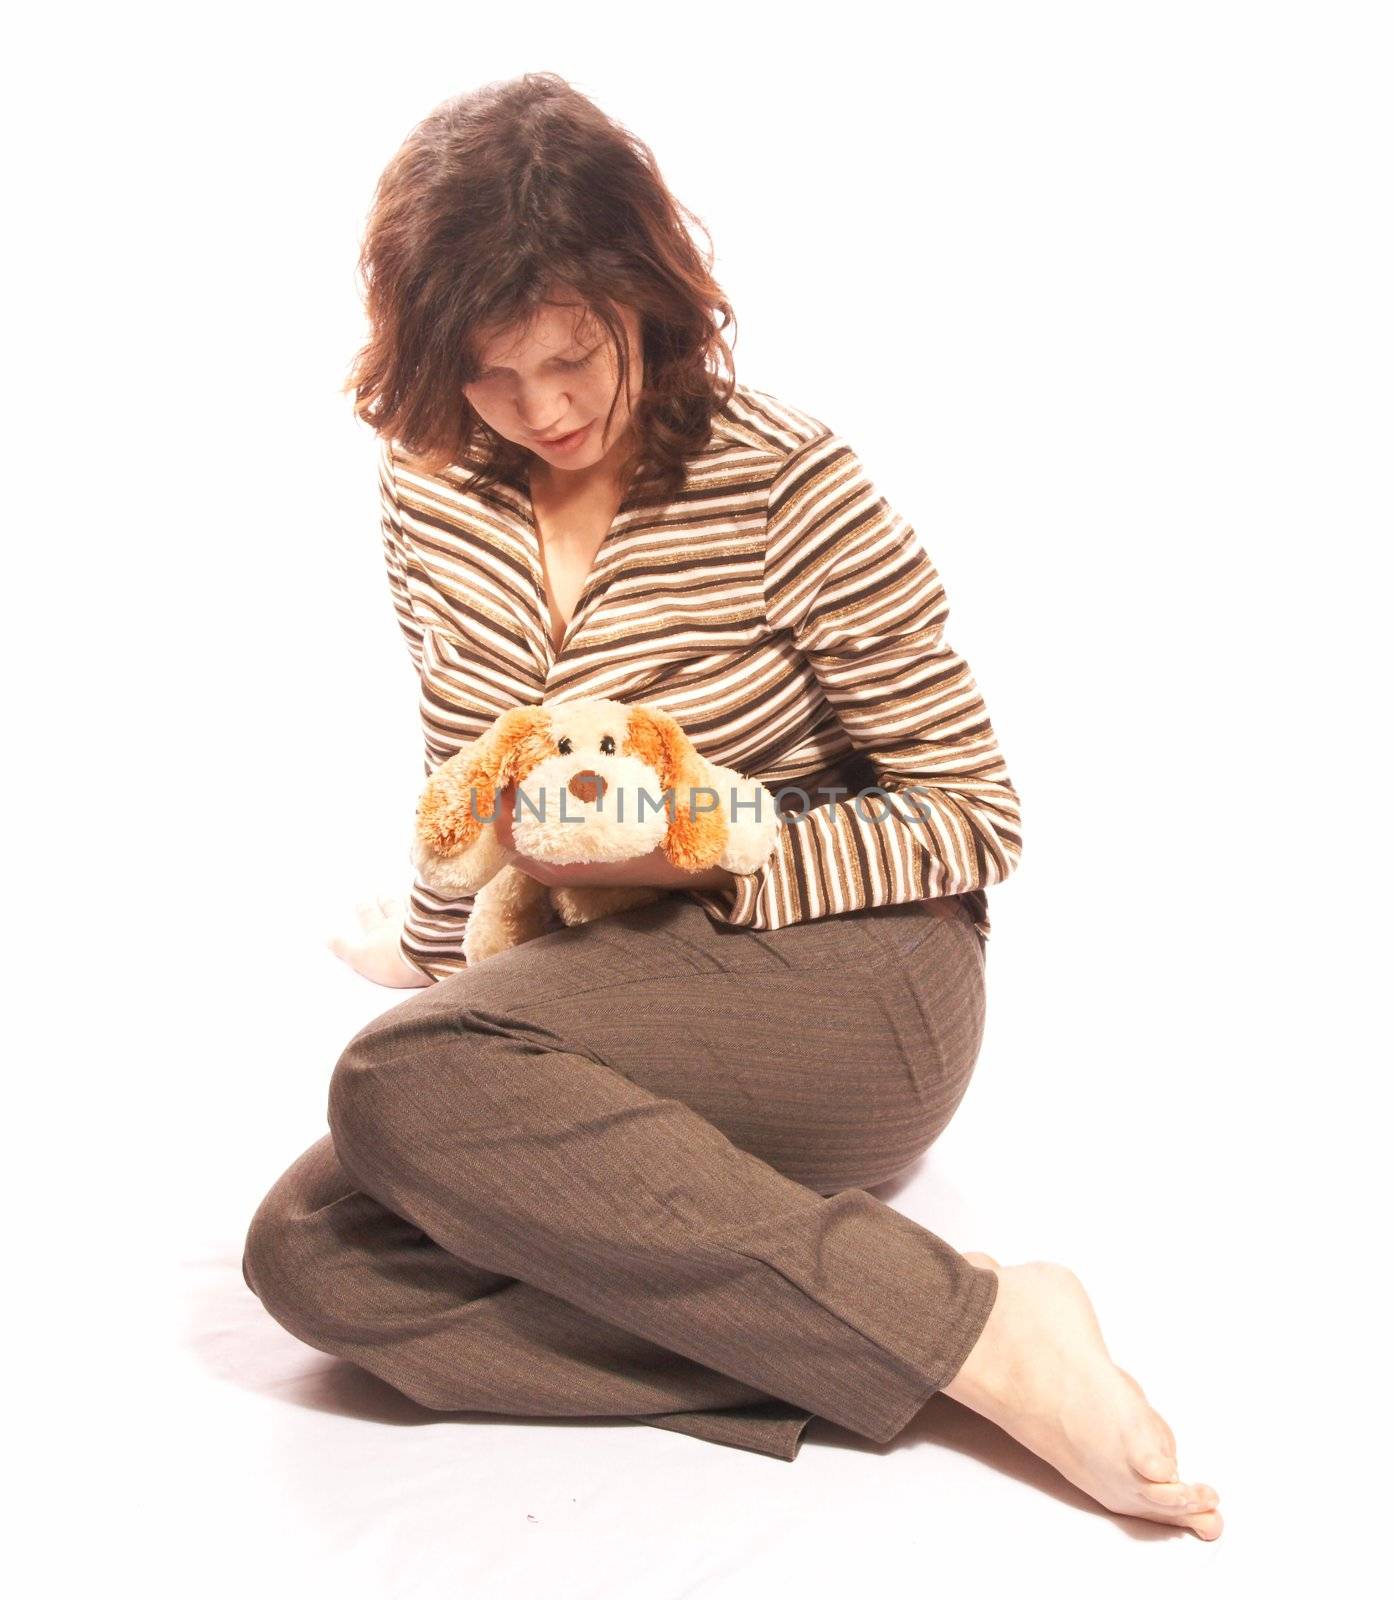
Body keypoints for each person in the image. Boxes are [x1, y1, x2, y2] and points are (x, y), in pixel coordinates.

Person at [245, 73, 1222, 1539]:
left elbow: (972, 817)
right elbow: (466, 762)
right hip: (609, 980)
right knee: (311, 1256)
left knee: (398, 1084)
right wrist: (452, 976)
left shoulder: (784, 479)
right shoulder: (431, 484)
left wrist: (706, 841)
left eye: (573, 357)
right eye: (494, 377)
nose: (545, 409)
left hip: (859, 968)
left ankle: (986, 1339)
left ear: (644, 300)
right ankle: (916, 1342)